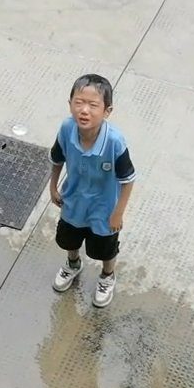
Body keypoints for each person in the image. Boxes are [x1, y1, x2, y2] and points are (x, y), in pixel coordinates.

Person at [49, 73, 136, 307]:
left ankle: (107, 276)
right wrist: (53, 186)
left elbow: (128, 180)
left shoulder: (115, 142)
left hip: (103, 208)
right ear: (70, 104)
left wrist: (118, 213)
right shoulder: (67, 129)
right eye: (79, 102)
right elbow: (57, 159)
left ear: (107, 111)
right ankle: (73, 264)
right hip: (73, 202)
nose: (84, 110)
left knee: (104, 249)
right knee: (69, 239)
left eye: (93, 105)